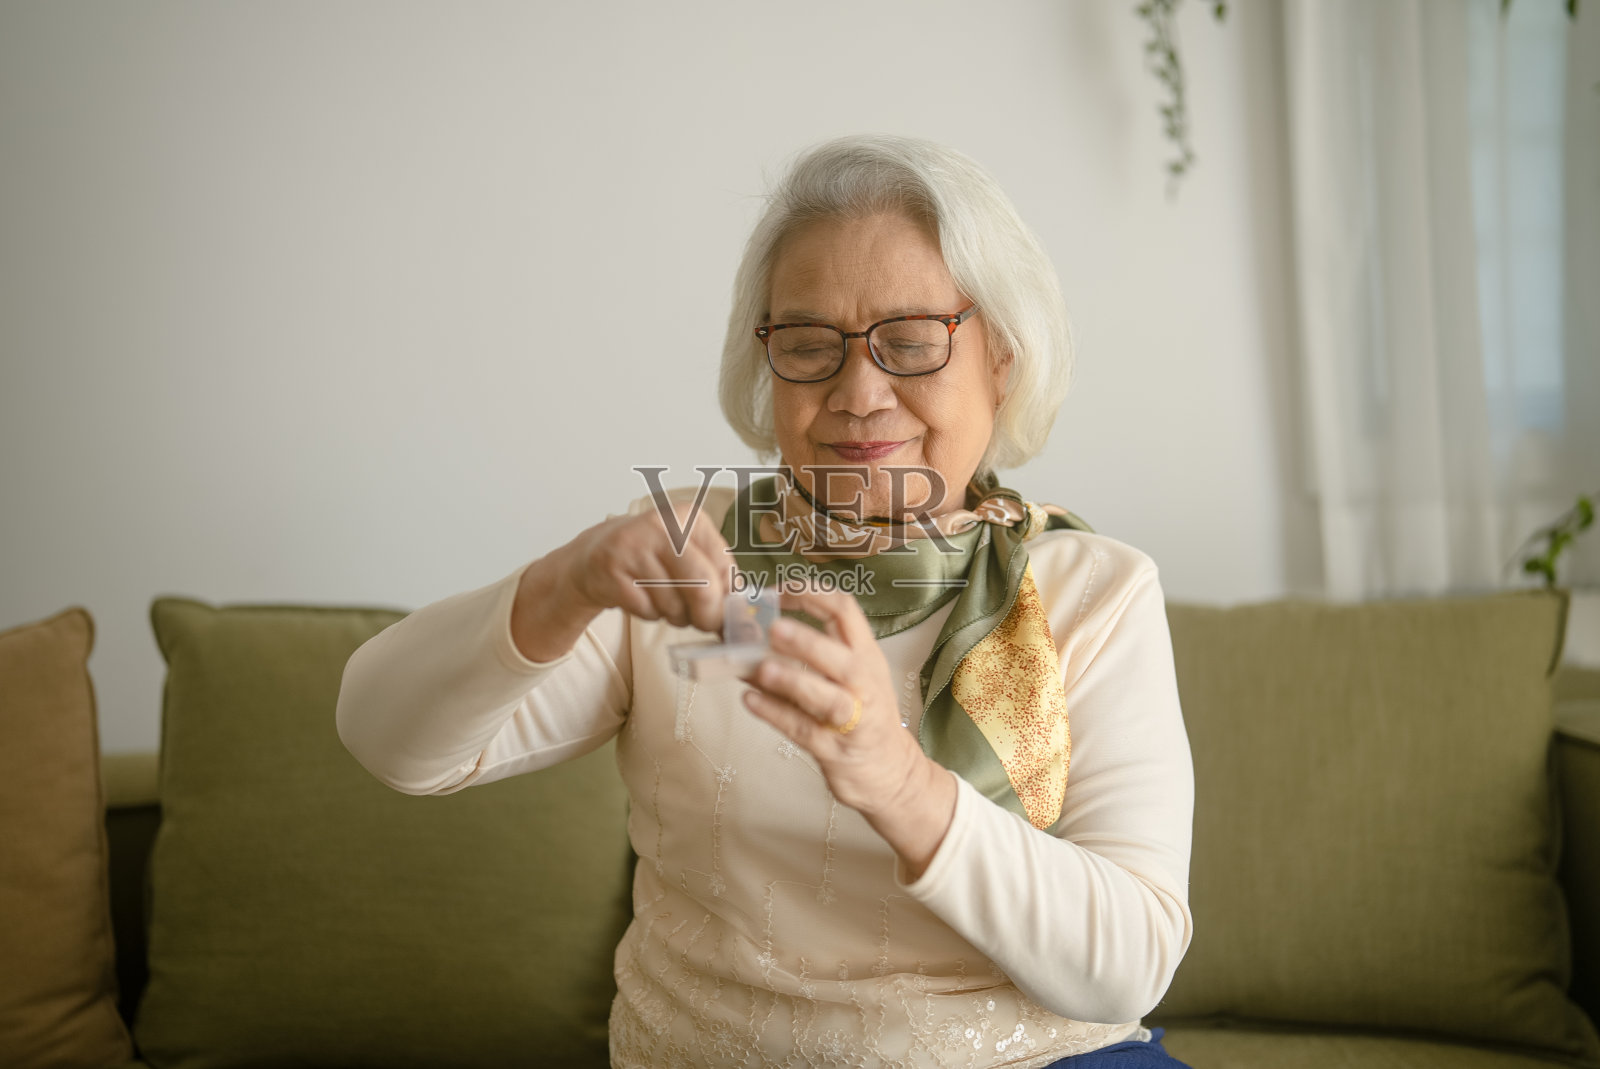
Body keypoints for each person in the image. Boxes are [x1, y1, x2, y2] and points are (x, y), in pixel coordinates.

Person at [336, 133, 1195, 1069]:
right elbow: (390, 741)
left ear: (1003, 358)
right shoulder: (685, 557)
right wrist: (559, 586)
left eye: (911, 341)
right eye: (809, 345)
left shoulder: (1093, 591)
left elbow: (1130, 966)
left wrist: (896, 780)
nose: (860, 393)